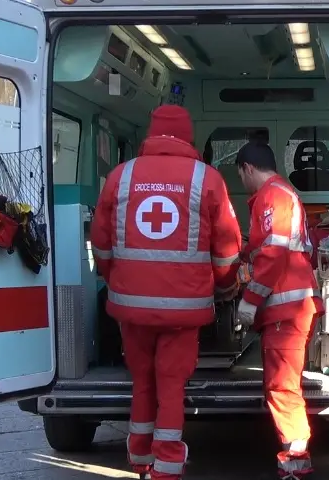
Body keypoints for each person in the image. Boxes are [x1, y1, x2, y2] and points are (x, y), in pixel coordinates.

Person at [90, 105, 243, 480]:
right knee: (171, 383)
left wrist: (118, 280)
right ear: (189, 137)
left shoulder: (120, 176)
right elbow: (227, 246)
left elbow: (100, 241)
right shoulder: (206, 179)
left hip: (130, 306)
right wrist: (225, 286)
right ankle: (168, 463)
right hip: (184, 309)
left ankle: (139, 453)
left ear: (151, 134)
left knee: (142, 379)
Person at [233, 142, 323, 479]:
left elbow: (272, 254)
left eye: (240, 175)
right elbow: (266, 250)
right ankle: (296, 460)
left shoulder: (274, 197)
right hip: (288, 309)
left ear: (248, 168)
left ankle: (296, 464)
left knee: (283, 387)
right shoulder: (280, 196)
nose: (242, 182)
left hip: (287, 309)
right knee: (282, 384)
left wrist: (250, 300)